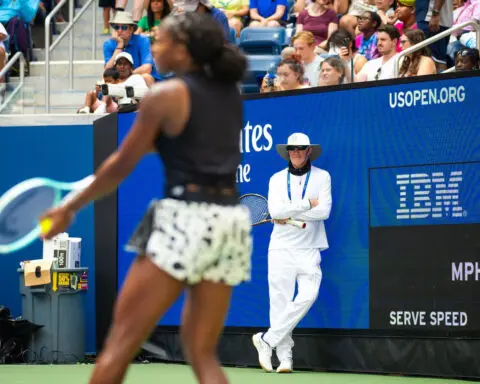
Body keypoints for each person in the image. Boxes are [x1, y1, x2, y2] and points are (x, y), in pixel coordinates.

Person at [40, 12, 252, 384]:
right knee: (202, 353)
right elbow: (192, 145)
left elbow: (120, 166)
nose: (154, 46)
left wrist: (67, 207)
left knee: (120, 342)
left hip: (186, 216)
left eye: (162, 40)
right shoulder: (229, 94)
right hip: (230, 224)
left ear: (183, 50)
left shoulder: (166, 94)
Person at [252, 132, 332, 374]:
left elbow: (325, 212)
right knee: (280, 304)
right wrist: (308, 204)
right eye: (292, 149)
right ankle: (285, 359)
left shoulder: (323, 176)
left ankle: (267, 340)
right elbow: (275, 212)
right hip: (281, 249)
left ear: (309, 151)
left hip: (309, 249)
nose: (296, 152)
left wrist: (291, 213)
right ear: (288, 152)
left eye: (301, 148)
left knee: (309, 295)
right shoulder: (276, 179)